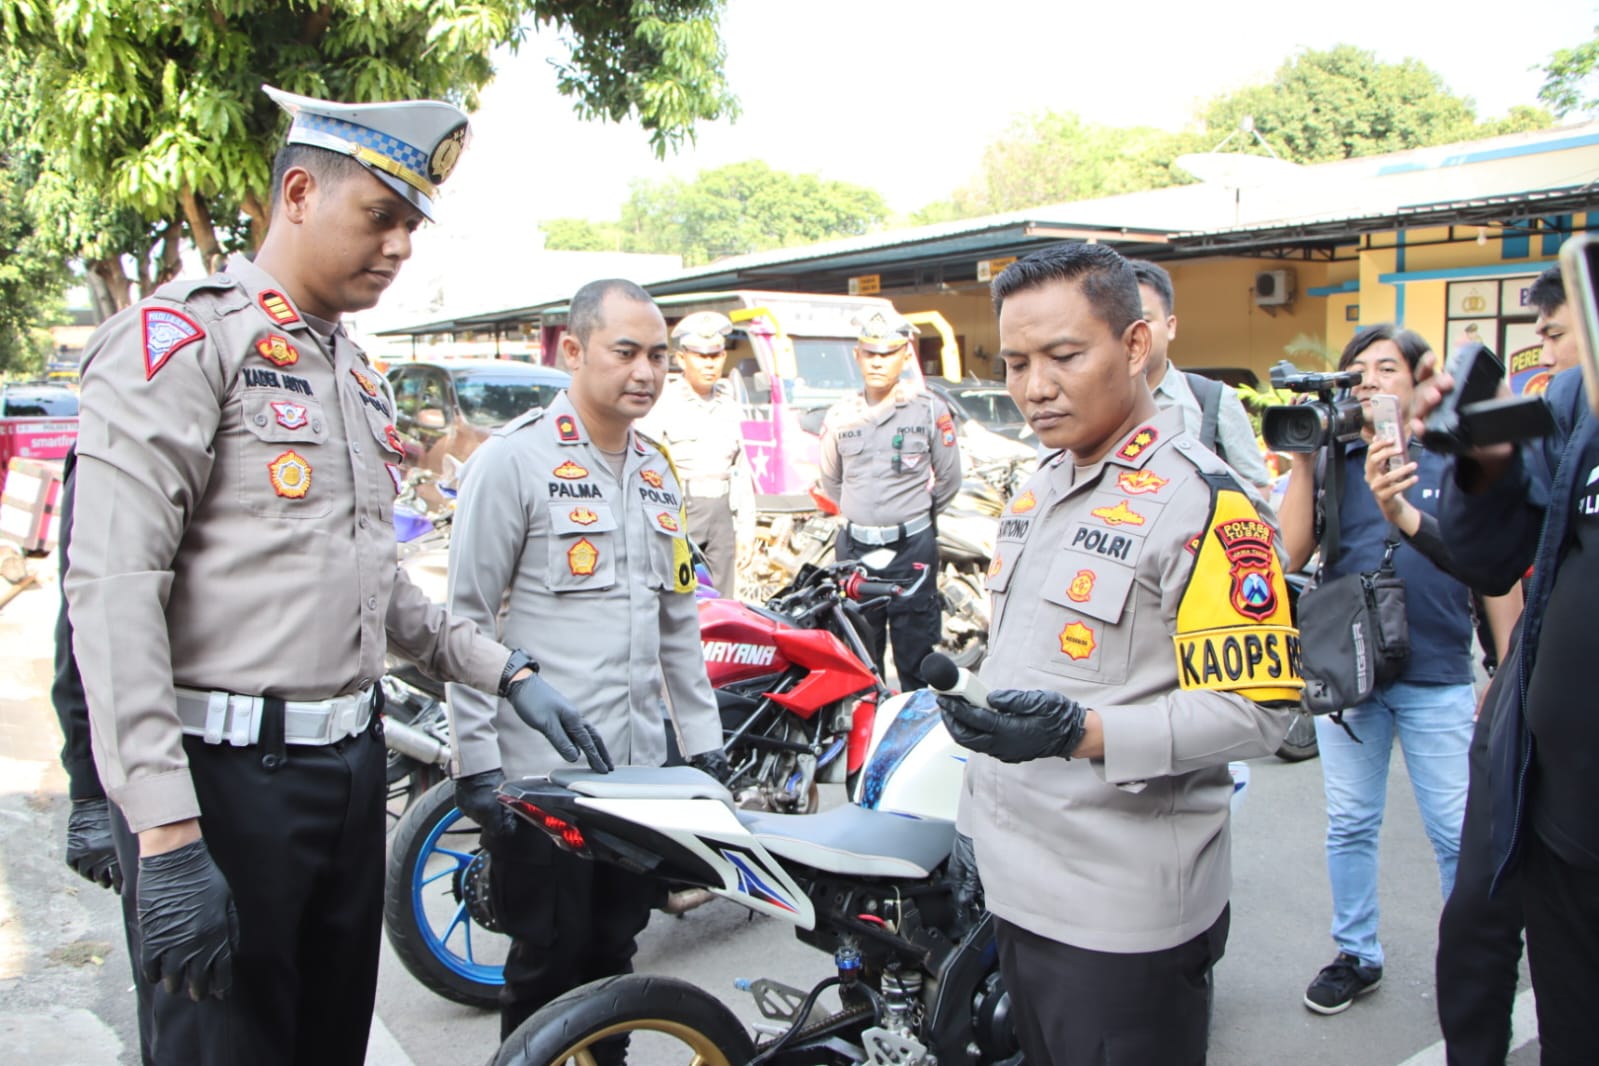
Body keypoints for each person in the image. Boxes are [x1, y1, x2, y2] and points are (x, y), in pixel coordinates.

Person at [62, 85, 607, 1066]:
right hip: (226, 790)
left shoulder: (353, 375)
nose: (399, 247)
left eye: (411, 226)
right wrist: (164, 830)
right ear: (301, 192)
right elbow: (111, 591)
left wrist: (506, 671)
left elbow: (375, 589)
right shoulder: (188, 343)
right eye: (381, 217)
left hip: (348, 777)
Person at [938, 243, 1298, 1065]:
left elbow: (1261, 710)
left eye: (1063, 356)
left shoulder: (1202, 501)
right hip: (1015, 883)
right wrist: (971, 830)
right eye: (1016, 362)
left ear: (1136, 347)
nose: (1033, 387)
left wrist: (1083, 733)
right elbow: (1017, 678)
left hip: (1120, 916)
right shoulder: (1038, 486)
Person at [446, 279, 728, 1047]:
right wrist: (476, 766)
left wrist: (702, 746)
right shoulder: (514, 461)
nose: (645, 371)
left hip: (636, 778)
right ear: (573, 350)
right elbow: (463, 621)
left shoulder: (654, 469)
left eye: (659, 355)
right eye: (626, 351)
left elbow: (677, 623)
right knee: (545, 963)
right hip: (543, 780)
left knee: (615, 956)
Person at [1423, 265, 1597, 1063]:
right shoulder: (1573, 407)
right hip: (1557, 808)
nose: (1545, 345)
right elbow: (1491, 559)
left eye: (1557, 330)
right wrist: (1483, 463)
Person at [1278, 324, 1478, 1016]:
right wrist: (1304, 461)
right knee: (1350, 823)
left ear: (1418, 382)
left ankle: (1468, 956)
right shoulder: (1335, 458)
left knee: (1453, 828)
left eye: (1384, 368)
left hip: (1438, 668)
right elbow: (1288, 554)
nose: (1367, 381)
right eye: (1355, 370)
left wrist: (1506, 672)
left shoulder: (1455, 457)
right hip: (1350, 671)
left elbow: (1493, 572)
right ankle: (1355, 954)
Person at [817, 310, 960, 691]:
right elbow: (831, 480)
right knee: (860, 656)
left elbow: (949, 479)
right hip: (855, 549)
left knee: (917, 655)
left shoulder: (929, 410)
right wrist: (864, 515)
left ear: (904, 355)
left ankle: (914, 734)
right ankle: (865, 741)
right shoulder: (841, 415)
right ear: (858, 356)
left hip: (911, 548)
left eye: (889, 352)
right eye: (871, 353)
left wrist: (908, 519)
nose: (878, 361)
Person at [1128, 260, 1274, 494]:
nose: (1134, 333)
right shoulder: (1092, 405)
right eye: (1122, 322)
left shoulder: (1211, 401)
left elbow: (1256, 488)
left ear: (1171, 326)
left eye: (1145, 320)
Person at [638, 309, 755, 597]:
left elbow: (743, 472)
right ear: (681, 359)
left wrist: (747, 530)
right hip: (680, 509)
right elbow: (645, 467)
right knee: (678, 596)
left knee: (722, 599)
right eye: (701, 356)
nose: (709, 364)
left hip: (722, 510)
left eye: (715, 355)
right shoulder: (662, 403)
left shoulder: (730, 405)